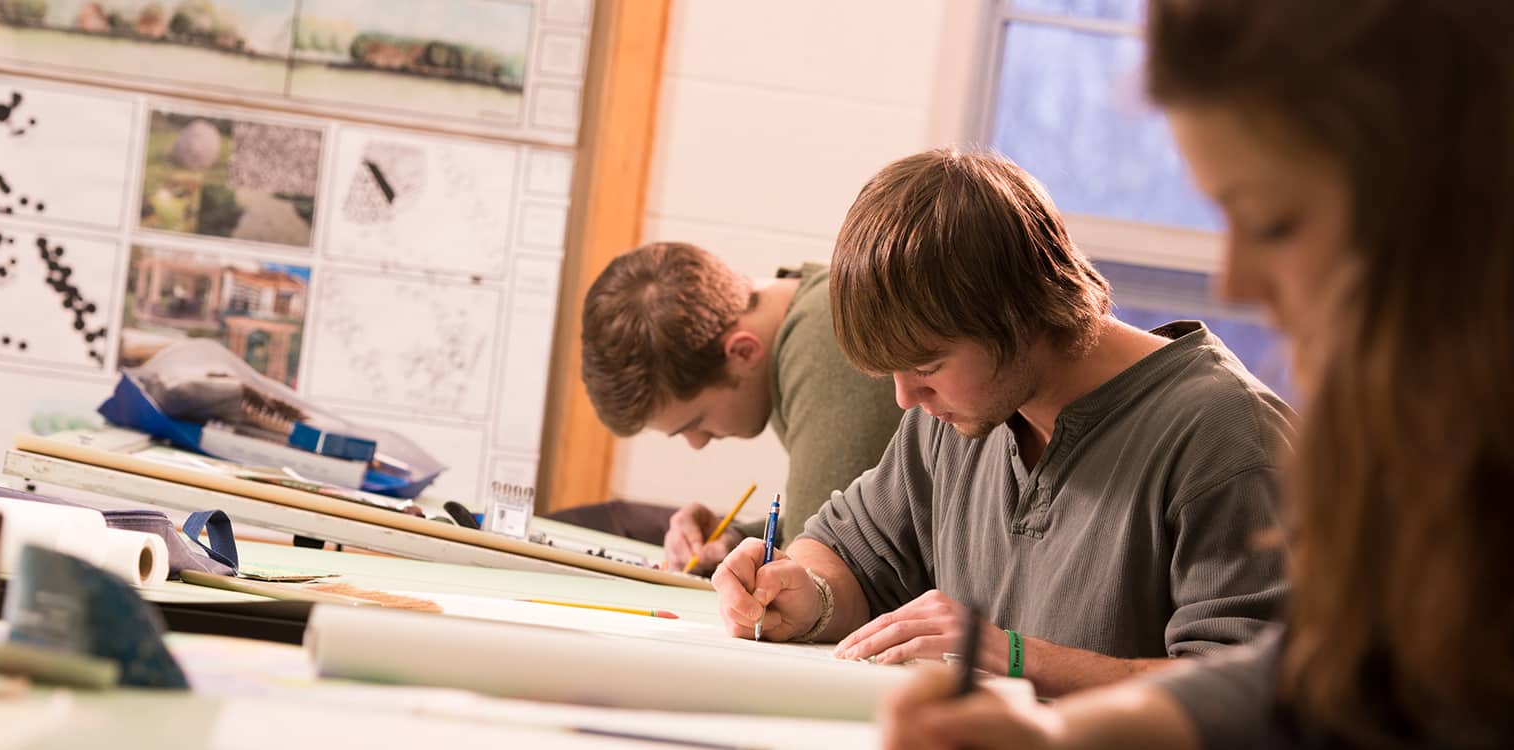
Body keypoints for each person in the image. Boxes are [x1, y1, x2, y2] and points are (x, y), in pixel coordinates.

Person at [878, 1, 1514, 747]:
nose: (1235, 282)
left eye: (1274, 222)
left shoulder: (1228, 427)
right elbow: (1318, 678)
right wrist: (1060, 740)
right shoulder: (1419, 435)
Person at [711, 148, 1293, 697]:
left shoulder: (1228, 434)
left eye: (927, 366)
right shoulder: (957, 418)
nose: (905, 398)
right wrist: (806, 594)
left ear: (1021, 316)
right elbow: (850, 552)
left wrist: (1016, 659)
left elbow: (1250, 698)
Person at [574, 241, 903, 573]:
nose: (698, 442)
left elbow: (821, 569)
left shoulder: (827, 341)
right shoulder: (800, 320)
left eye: (696, 422)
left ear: (743, 352)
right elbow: (848, 520)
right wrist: (733, 539)